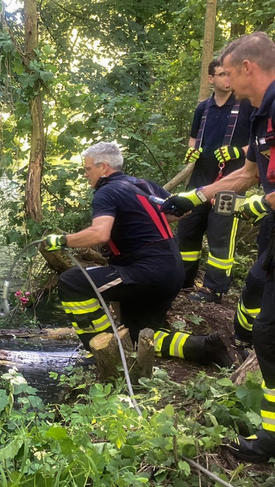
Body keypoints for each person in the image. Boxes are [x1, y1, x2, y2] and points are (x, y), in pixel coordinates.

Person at [161, 32, 275, 463]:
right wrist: (197, 195)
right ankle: (269, 435)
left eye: (226, 72)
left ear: (247, 68)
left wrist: (258, 205)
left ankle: (269, 440)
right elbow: (247, 172)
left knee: (270, 332)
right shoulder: (261, 112)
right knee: (261, 315)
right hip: (270, 231)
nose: (222, 80)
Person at [41, 142, 234, 369]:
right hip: (171, 270)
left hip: (145, 270)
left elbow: (100, 234)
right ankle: (204, 347)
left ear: (103, 167)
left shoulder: (106, 192)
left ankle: (102, 348)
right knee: (137, 336)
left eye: (88, 169)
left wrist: (62, 240)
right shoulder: (144, 184)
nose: (85, 175)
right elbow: (183, 211)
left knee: (72, 282)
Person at [178, 60, 252, 303]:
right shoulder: (204, 108)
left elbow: (260, 143)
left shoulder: (247, 106)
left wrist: (238, 152)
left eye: (229, 74)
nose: (227, 80)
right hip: (200, 179)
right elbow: (192, 138)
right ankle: (183, 280)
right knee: (188, 229)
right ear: (211, 79)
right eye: (221, 75)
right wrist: (192, 151)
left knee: (221, 235)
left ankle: (214, 289)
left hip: (232, 181)